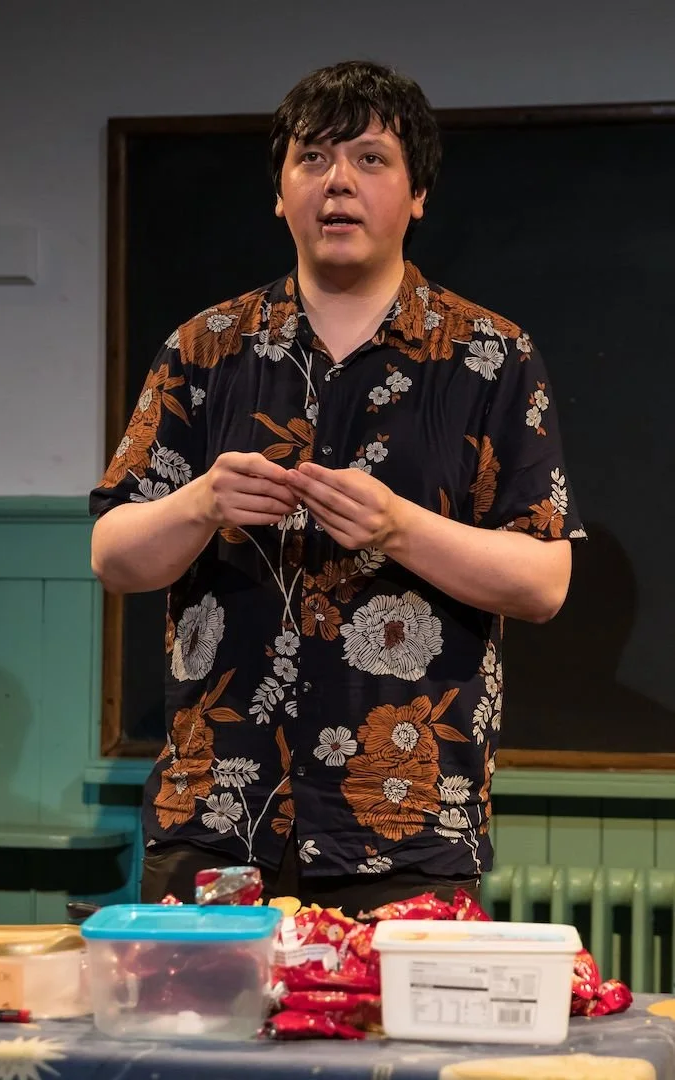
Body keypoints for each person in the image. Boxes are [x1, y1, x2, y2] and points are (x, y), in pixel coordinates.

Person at [89, 59, 584, 914]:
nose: (338, 184)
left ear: (417, 192)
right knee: (196, 1050)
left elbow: (542, 583)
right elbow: (114, 558)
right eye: (312, 160)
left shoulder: (493, 358)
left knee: (394, 1054)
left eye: (370, 159)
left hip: (408, 824)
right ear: (280, 194)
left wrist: (398, 528)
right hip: (215, 818)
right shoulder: (202, 350)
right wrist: (201, 502)